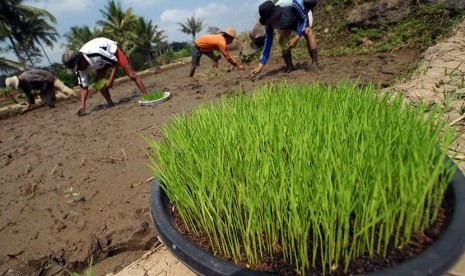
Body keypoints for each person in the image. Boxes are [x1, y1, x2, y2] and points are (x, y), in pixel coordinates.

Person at [62, 37, 148, 115]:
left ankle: (146, 96)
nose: (78, 69)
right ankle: (110, 102)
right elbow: (84, 88)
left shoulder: (95, 53)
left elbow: (115, 62)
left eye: (77, 67)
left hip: (112, 52)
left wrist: (111, 80)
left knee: (131, 75)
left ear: (80, 61)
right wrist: (83, 105)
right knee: (97, 82)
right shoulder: (79, 69)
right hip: (101, 62)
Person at [251, 0, 319, 77]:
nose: (271, 23)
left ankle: (315, 63)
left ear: (276, 14)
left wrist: (296, 38)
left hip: (302, 14)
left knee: (307, 31)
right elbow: (268, 44)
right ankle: (290, 66)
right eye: (268, 21)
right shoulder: (269, 24)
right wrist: (260, 66)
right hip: (288, 21)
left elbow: (303, 20)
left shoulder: (291, 5)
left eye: (271, 19)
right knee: (282, 40)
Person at [5, 69, 75, 113]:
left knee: (64, 89)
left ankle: (78, 97)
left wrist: (42, 91)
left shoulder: (28, 77)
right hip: (43, 86)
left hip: (50, 79)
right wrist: (28, 107)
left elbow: (45, 80)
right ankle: (58, 106)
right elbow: (28, 94)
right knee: (46, 102)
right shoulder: (22, 85)